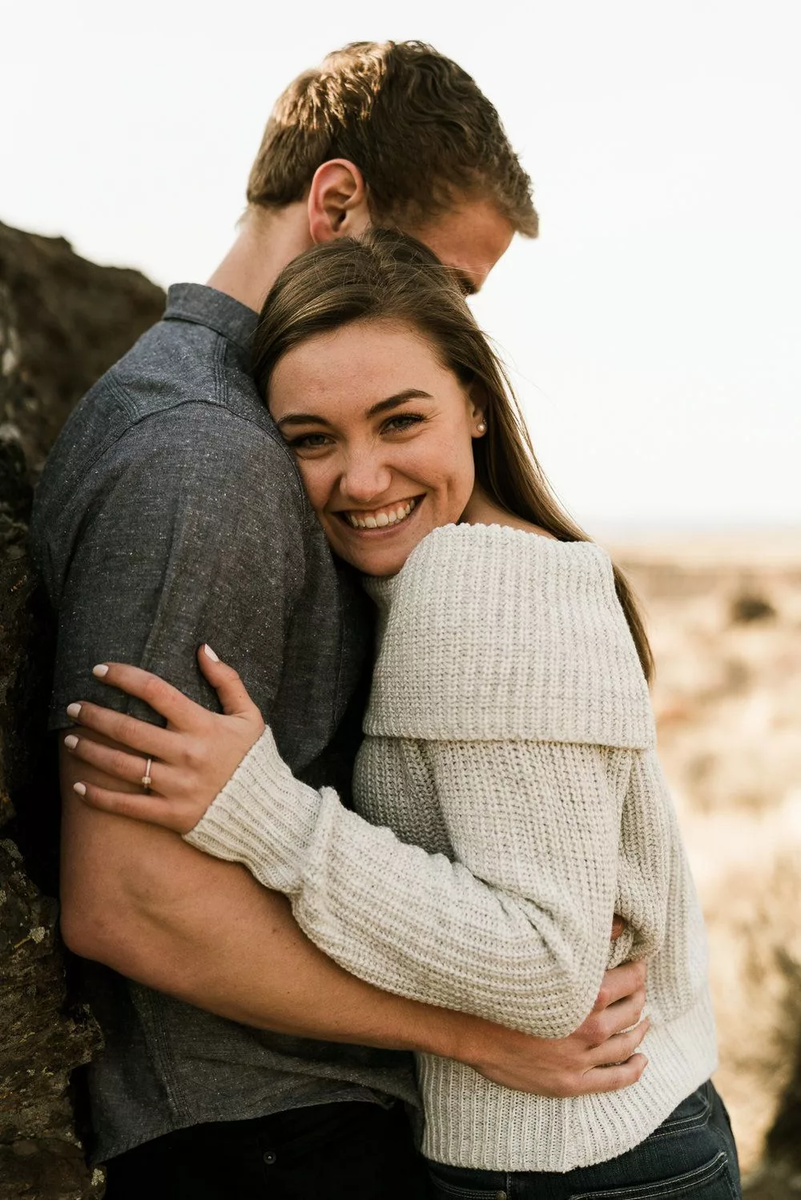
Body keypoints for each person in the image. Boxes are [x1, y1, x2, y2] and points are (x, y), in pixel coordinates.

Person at [30, 41, 650, 1200]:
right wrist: (485, 1035)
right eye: (446, 280)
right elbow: (128, 900)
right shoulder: (202, 460)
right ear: (336, 202)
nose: (449, 318)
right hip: (264, 1135)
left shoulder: (232, 428)